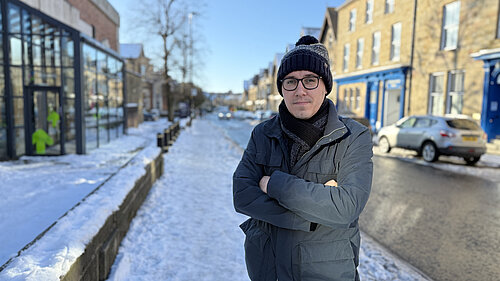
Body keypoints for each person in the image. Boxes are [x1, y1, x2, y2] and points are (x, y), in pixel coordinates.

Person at [233, 35, 373, 281]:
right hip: (268, 269)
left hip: (324, 272)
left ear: (325, 86)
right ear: (281, 89)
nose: (300, 91)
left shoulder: (353, 137)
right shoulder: (263, 133)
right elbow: (242, 195)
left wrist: (272, 184)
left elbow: (346, 207)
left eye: (310, 80)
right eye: (290, 81)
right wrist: (317, 211)